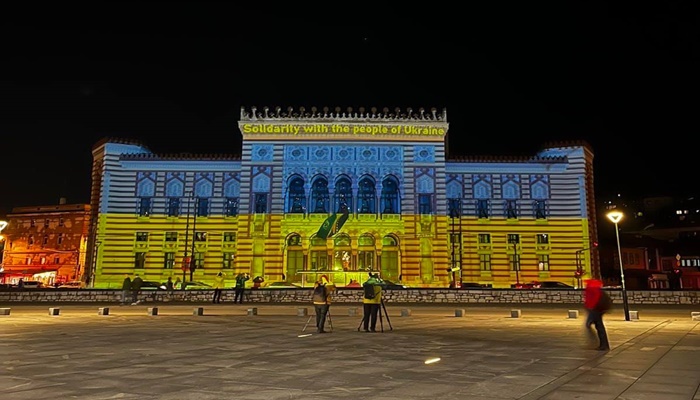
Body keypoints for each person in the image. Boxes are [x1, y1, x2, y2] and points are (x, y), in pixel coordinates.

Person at [583, 278, 610, 351]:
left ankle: (600, 344)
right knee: (598, 326)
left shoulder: (592, 288)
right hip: (597, 309)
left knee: (594, 326)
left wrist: (590, 307)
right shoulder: (596, 288)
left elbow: (593, 299)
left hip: (595, 309)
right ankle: (603, 344)